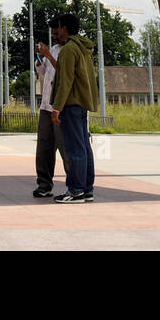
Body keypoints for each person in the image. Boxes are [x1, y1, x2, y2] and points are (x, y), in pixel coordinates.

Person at [49, 13, 98, 203]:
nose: (57, 31)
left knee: (75, 149)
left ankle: (76, 190)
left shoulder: (69, 50)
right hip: (81, 104)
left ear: (65, 28)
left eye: (59, 27)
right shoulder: (83, 48)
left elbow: (65, 81)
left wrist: (56, 108)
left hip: (70, 104)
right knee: (84, 147)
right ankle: (86, 189)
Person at [32, 16, 72, 198]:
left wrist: (48, 55)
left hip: (62, 106)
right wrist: (40, 58)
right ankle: (44, 184)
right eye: (53, 34)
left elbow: (64, 72)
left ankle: (74, 185)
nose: (55, 37)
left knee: (66, 147)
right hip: (46, 104)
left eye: (57, 33)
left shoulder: (71, 50)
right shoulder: (55, 49)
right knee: (44, 147)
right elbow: (44, 72)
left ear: (65, 29)